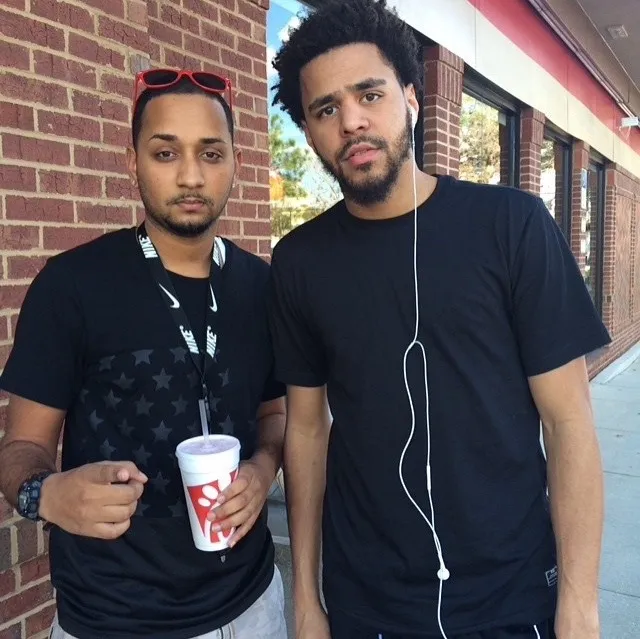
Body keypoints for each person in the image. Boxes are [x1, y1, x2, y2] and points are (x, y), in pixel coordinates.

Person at [268, 1, 609, 638]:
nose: (352, 122)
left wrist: (580, 608)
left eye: (369, 93)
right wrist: (308, 601)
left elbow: (568, 424)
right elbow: (307, 433)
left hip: (511, 596)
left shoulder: (514, 227)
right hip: (367, 602)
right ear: (310, 133)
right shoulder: (298, 262)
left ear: (412, 99)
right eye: (325, 110)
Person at [0, 69, 287, 639]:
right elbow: (22, 448)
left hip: (253, 607)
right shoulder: (72, 285)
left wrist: (262, 467)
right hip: (111, 621)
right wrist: (48, 495)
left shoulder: (262, 288)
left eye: (210, 153)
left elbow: (274, 414)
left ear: (236, 163)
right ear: (132, 162)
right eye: (164, 152)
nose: (189, 175)